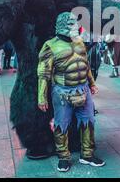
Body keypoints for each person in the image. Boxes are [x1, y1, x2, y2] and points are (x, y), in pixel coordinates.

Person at [37, 12, 105, 172]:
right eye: (73, 23)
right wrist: (41, 97)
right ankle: (63, 157)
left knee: (89, 121)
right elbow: (43, 74)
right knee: (62, 124)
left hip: (84, 89)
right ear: (64, 26)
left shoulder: (80, 42)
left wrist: (92, 84)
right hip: (62, 91)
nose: (76, 25)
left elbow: (85, 65)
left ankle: (87, 154)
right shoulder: (50, 45)